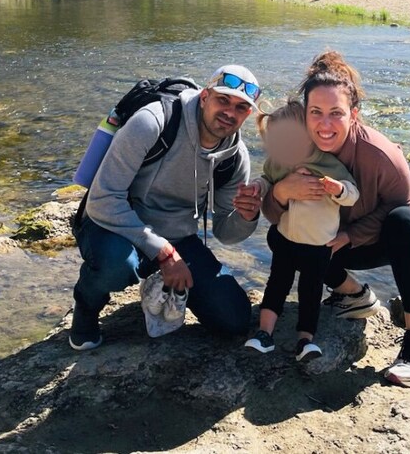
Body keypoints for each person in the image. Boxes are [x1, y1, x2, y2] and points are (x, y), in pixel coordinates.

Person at [261, 51, 410, 387]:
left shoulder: (381, 153)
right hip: (340, 234)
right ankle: (355, 294)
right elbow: (274, 217)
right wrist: (280, 193)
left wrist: (350, 236)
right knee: (281, 239)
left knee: (404, 223)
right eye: (316, 113)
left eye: (336, 114)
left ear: (354, 115)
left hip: (409, 230)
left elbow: (398, 205)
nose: (325, 125)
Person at [69, 65, 265, 350]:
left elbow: (226, 232)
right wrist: (163, 252)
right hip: (114, 226)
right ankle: (86, 307)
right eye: (223, 100)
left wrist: (248, 217)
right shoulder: (153, 122)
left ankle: (154, 276)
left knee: (234, 320)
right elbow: (102, 199)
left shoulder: (235, 157)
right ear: (204, 97)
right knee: (116, 265)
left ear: (248, 114)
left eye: (240, 107)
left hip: (178, 236)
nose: (229, 113)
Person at [242, 99, 360, 362]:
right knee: (276, 284)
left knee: (311, 291)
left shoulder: (329, 165)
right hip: (285, 239)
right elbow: (266, 179)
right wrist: (258, 188)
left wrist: (338, 190)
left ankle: (305, 340)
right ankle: (264, 334)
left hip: (319, 245)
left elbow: (353, 194)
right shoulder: (278, 162)